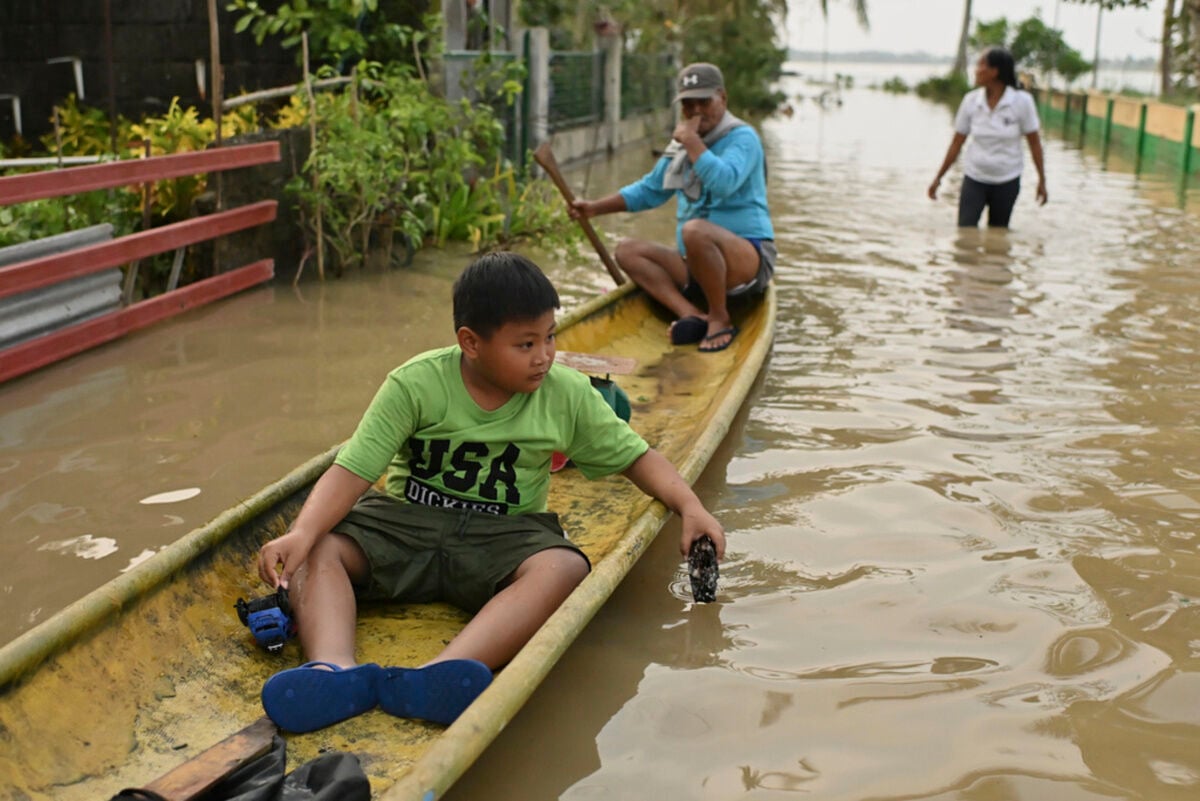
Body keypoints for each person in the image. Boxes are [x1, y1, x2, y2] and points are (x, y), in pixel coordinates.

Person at [254, 252, 727, 733]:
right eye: (525, 344)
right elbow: (351, 471)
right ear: (470, 343)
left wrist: (689, 506)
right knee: (318, 545)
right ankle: (334, 669)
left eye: (549, 336)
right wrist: (303, 532)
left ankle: (440, 673)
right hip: (405, 524)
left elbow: (636, 457)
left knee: (564, 566)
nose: (543, 355)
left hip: (501, 538)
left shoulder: (565, 393)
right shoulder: (416, 383)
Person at [570, 62, 775, 354]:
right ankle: (690, 312)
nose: (696, 112)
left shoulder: (742, 138)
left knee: (695, 231)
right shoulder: (681, 146)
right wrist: (593, 208)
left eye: (704, 102)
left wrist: (692, 142)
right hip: (696, 264)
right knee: (628, 250)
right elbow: (651, 191)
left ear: (723, 99)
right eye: (688, 105)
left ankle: (720, 317)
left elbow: (724, 182)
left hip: (748, 260)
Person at [928, 47, 1048, 228]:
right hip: (975, 177)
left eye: (980, 65)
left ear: (994, 71)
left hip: (1007, 179)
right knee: (965, 231)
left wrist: (1042, 180)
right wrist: (938, 177)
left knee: (998, 234)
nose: (976, 70)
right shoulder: (971, 101)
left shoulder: (1022, 102)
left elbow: (1034, 144)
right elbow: (956, 143)